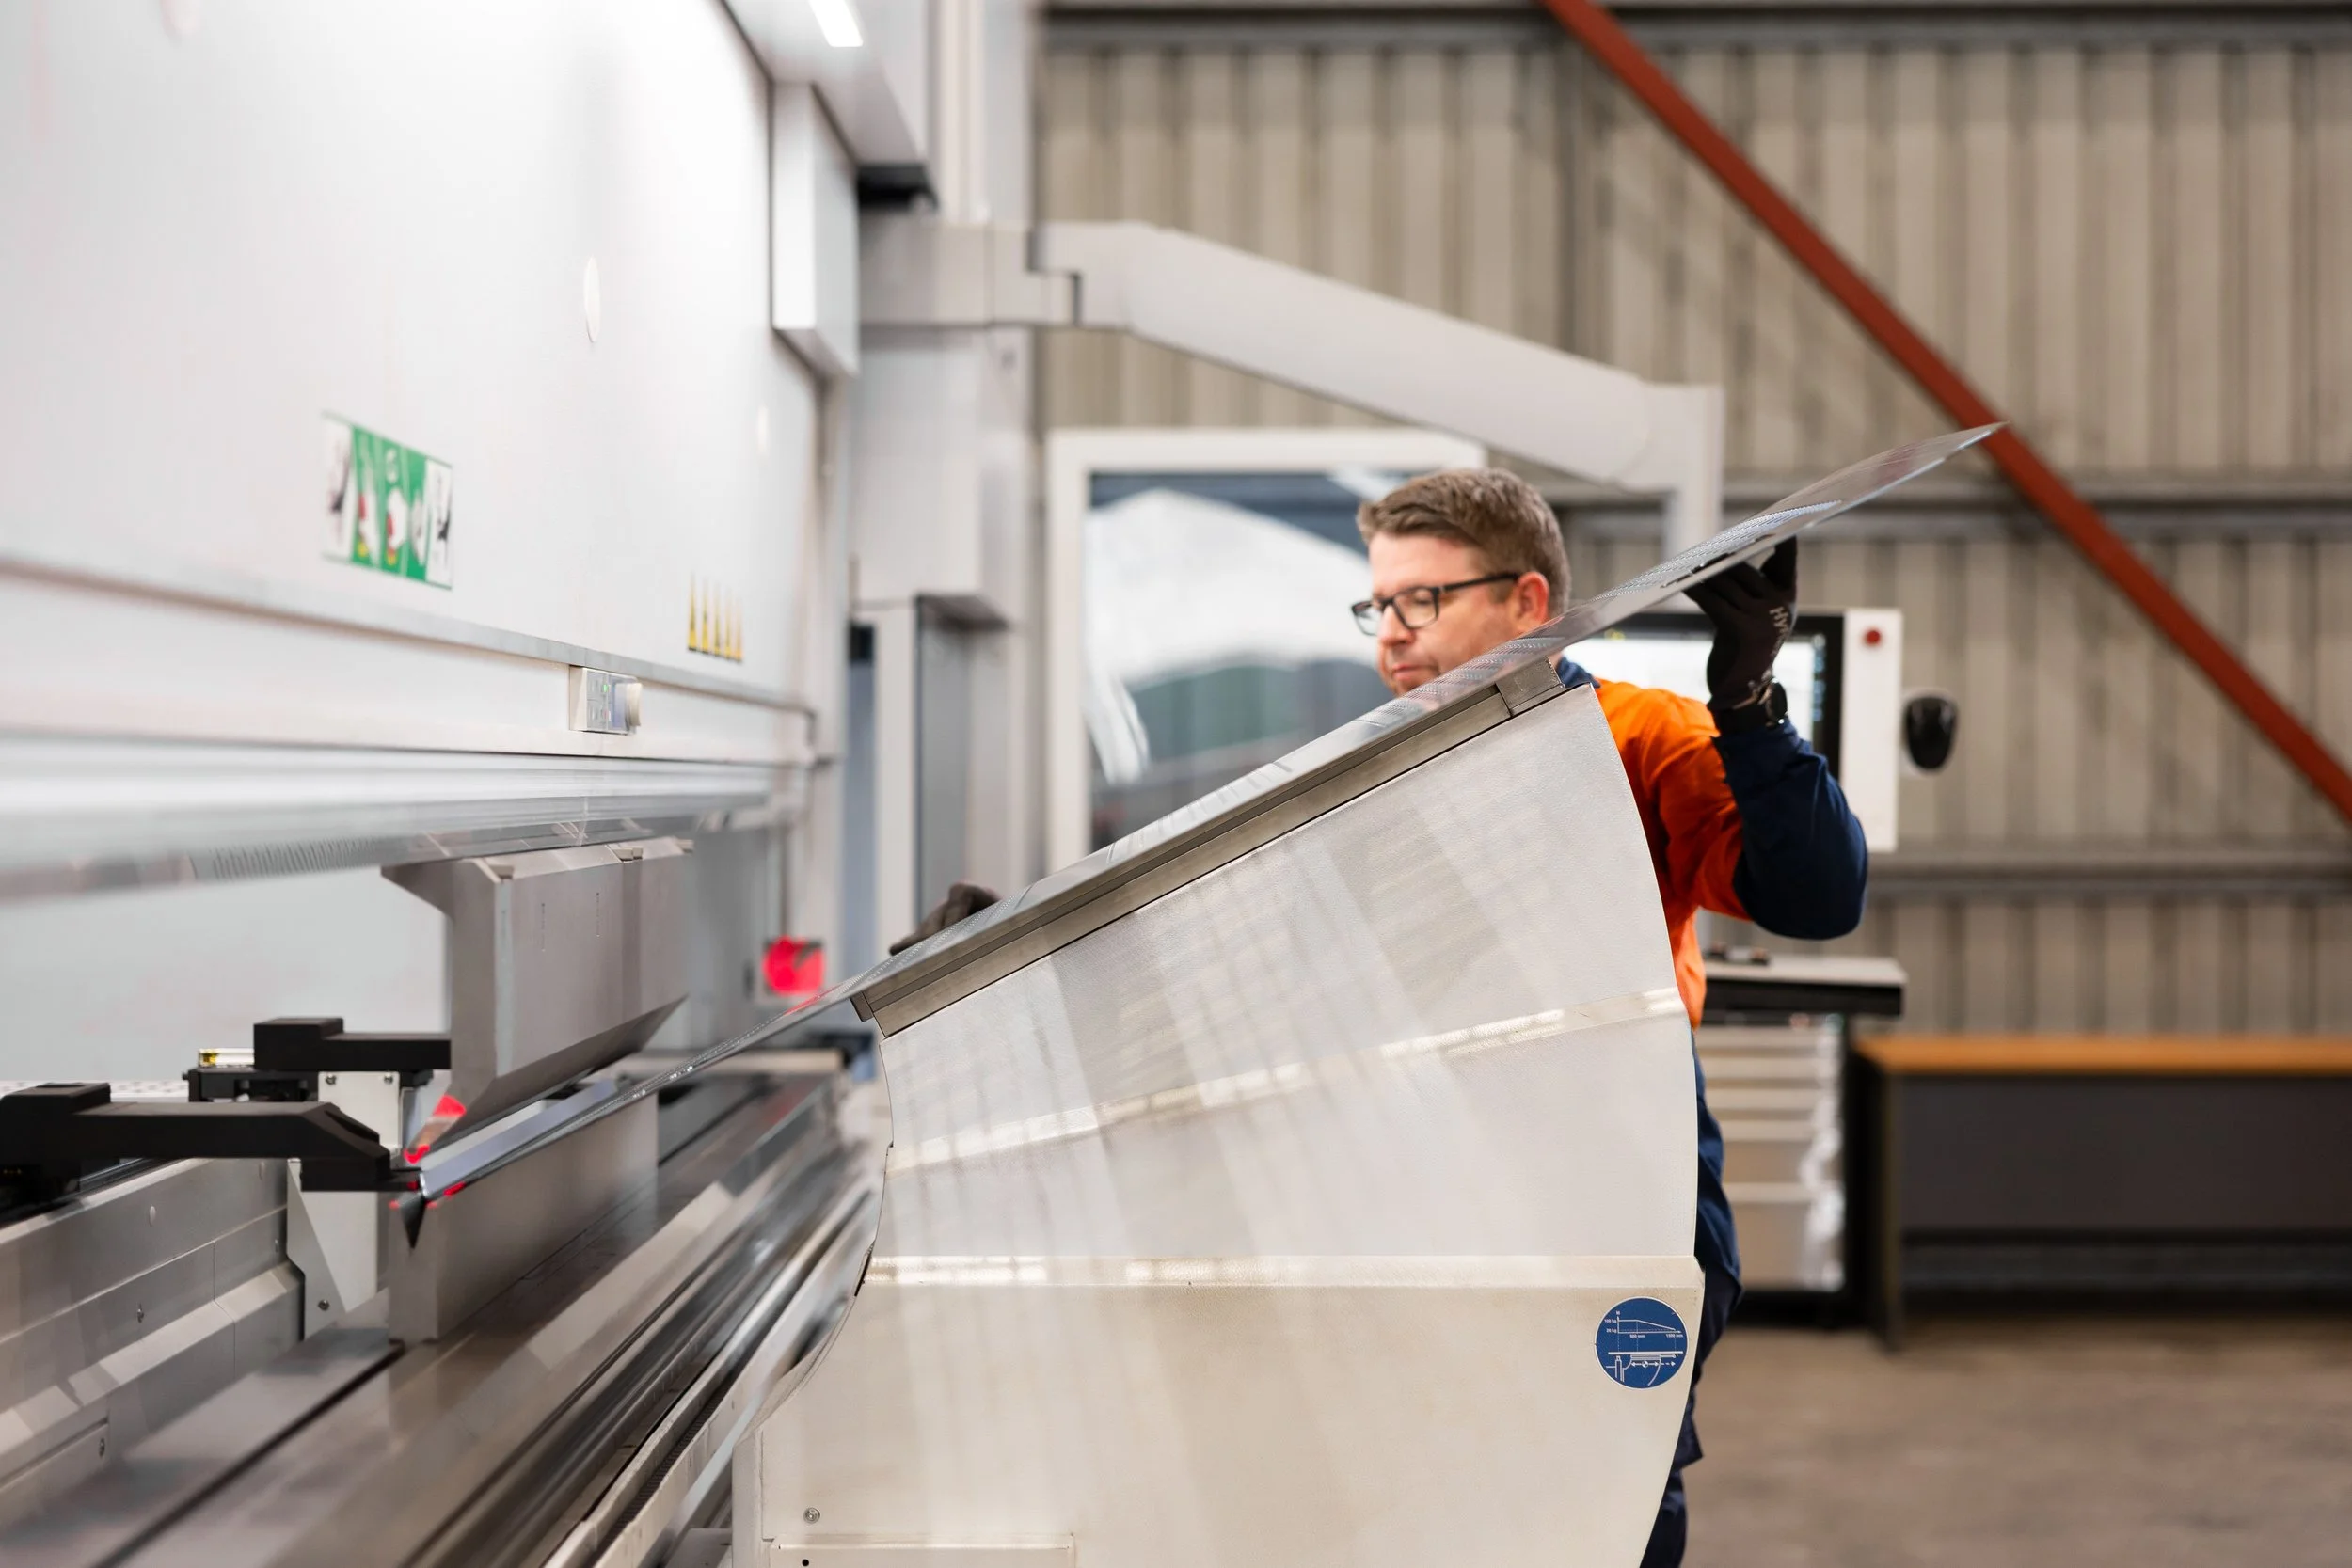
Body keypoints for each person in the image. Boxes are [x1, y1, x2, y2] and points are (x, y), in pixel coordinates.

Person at [1352, 467, 1867, 1568]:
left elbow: (1818, 895)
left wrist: (1750, 704)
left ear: (1527, 602)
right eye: (1378, 606)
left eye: (1421, 602)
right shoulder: (1365, 774)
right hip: (1431, 1164)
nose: (1390, 636)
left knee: (1605, 1487)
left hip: (1615, 1166)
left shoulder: (1640, 736)